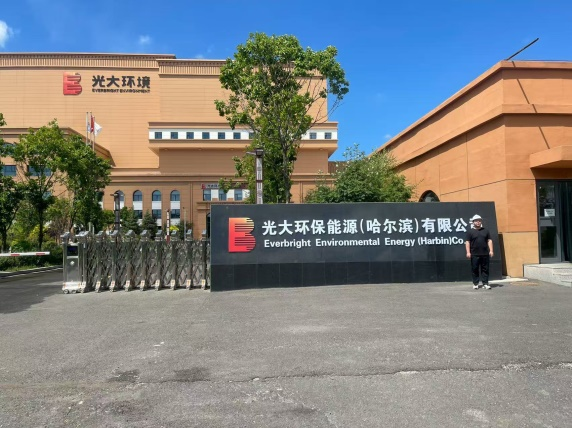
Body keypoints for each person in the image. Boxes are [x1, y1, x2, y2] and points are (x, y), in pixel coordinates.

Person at [465, 214, 494, 290]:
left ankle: (485, 283)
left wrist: (491, 250)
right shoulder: (470, 232)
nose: (478, 222)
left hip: (485, 253)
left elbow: (489, 240)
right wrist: (468, 252)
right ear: (473, 222)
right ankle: (475, 284)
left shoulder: (486, 231)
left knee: (485, 269)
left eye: (479, 220)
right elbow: (467, 242)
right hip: (474, 254)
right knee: (475, 269)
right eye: (476, 221)